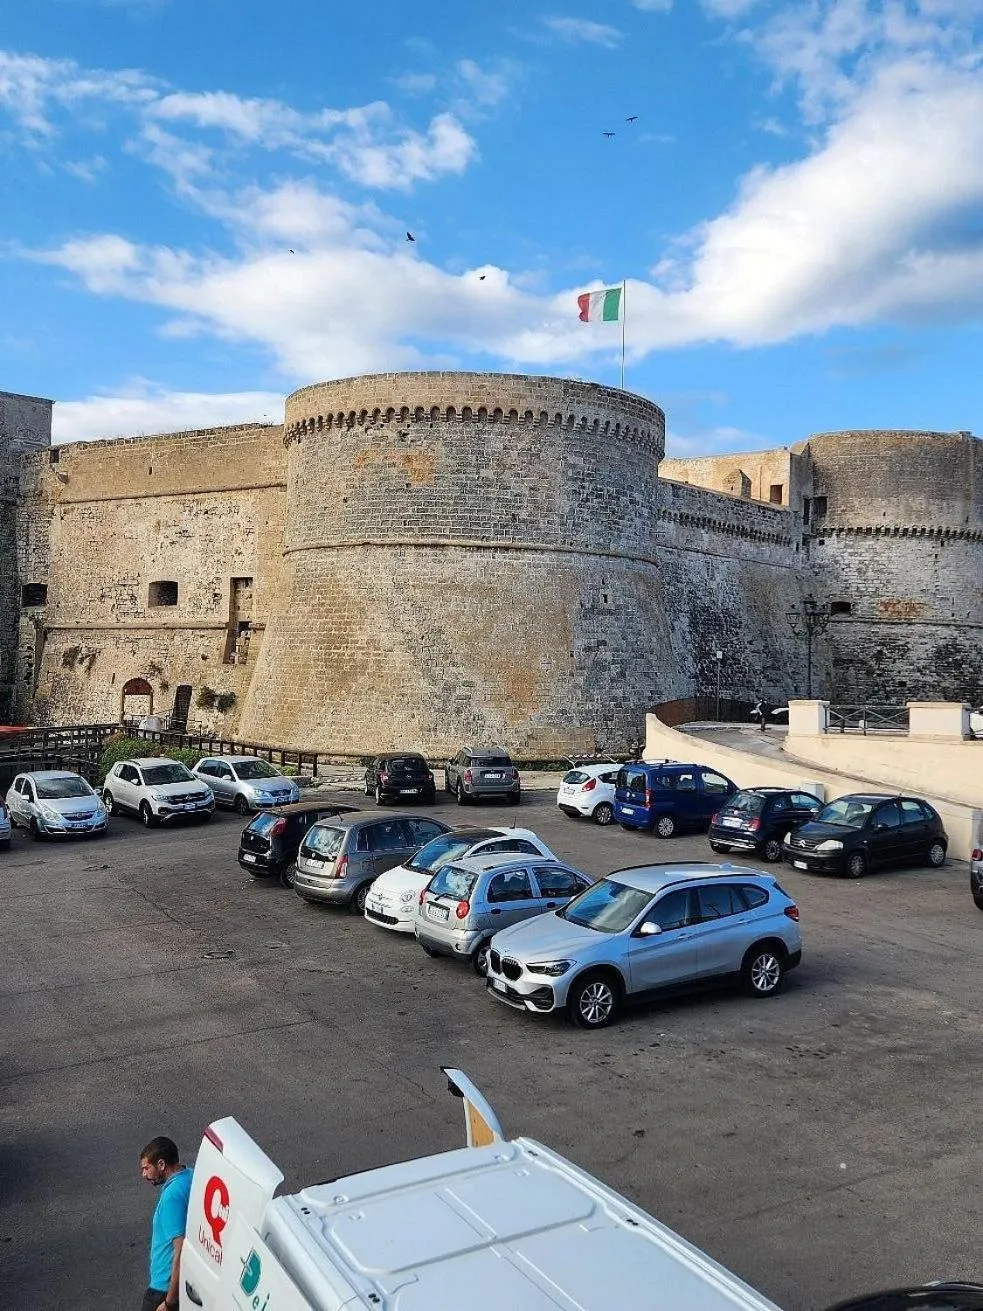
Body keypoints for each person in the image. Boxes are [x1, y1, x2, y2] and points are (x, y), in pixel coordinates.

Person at [139, 1135, 192, 1311]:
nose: (144, 1174)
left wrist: (169, 1302)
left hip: (162, 1290)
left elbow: (180, 1249)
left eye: (147, 1168)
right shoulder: (189, 1176)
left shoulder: (172, 1196)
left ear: (161, 1164)